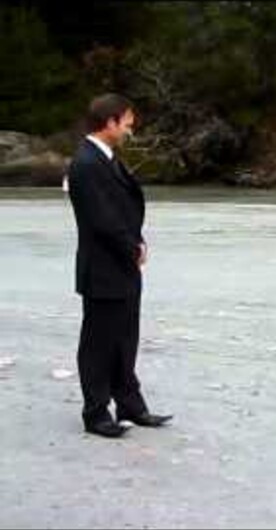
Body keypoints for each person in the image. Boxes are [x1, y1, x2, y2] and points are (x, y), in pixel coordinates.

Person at [65, 93, 172, 438]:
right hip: (103, 267)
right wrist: (131, 247)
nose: (130, 129)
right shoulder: (85, 163)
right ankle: (96, 412)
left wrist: (135, 245)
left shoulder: (106, 159)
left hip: (122, 264)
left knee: (125, 338)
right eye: (127, 122)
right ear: (110, 122)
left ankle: (130, 404)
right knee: (99, 342)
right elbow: (101, 219)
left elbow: (120, 210)